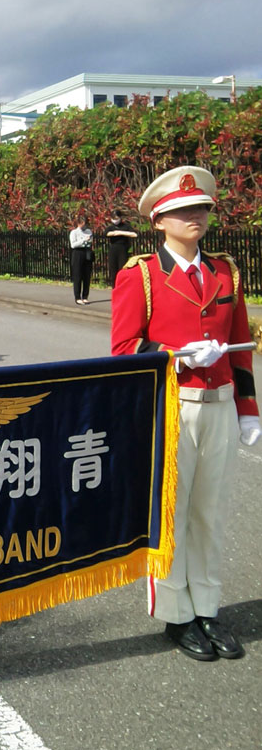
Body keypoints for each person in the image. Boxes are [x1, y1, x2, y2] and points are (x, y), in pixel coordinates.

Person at [111, 165, 260, 661]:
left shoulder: (225, 272)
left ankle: (207, 608)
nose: (194, 216)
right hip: (171, 407)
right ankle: (176, 615)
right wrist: (174, 356)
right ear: (158, 220)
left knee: (211, 512)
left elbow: (241, 346)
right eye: (181, 211)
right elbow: (124, 348)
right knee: (170, 513)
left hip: (220, 406)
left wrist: (247, 408)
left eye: (200, 208)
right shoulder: (141, 275)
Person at [105, 208, 138, 288]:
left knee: (122, 268)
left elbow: (134, 234)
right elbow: (106, 233)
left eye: (116, 218)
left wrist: (121, 232)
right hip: (113, 248)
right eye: (113, 218)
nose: (115, 220)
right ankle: (114, 287)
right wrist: (114, 233)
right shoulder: (111, 227)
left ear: (120, 217)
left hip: (123, 248)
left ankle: (122, 286)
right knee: (113, 269)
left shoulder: (126, 226)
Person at [69, 215, 94, 304]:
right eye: (83, 223)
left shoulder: (88, 231)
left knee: (87, 276)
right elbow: (73, 245)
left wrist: (87, 241)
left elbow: (90, 241)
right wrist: (83, 240)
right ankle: (77, 297)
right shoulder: (74, 232)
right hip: (78, 253)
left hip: (87, 252)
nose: (85, 226)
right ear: (80, 223)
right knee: (78, 276)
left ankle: (85, 296)